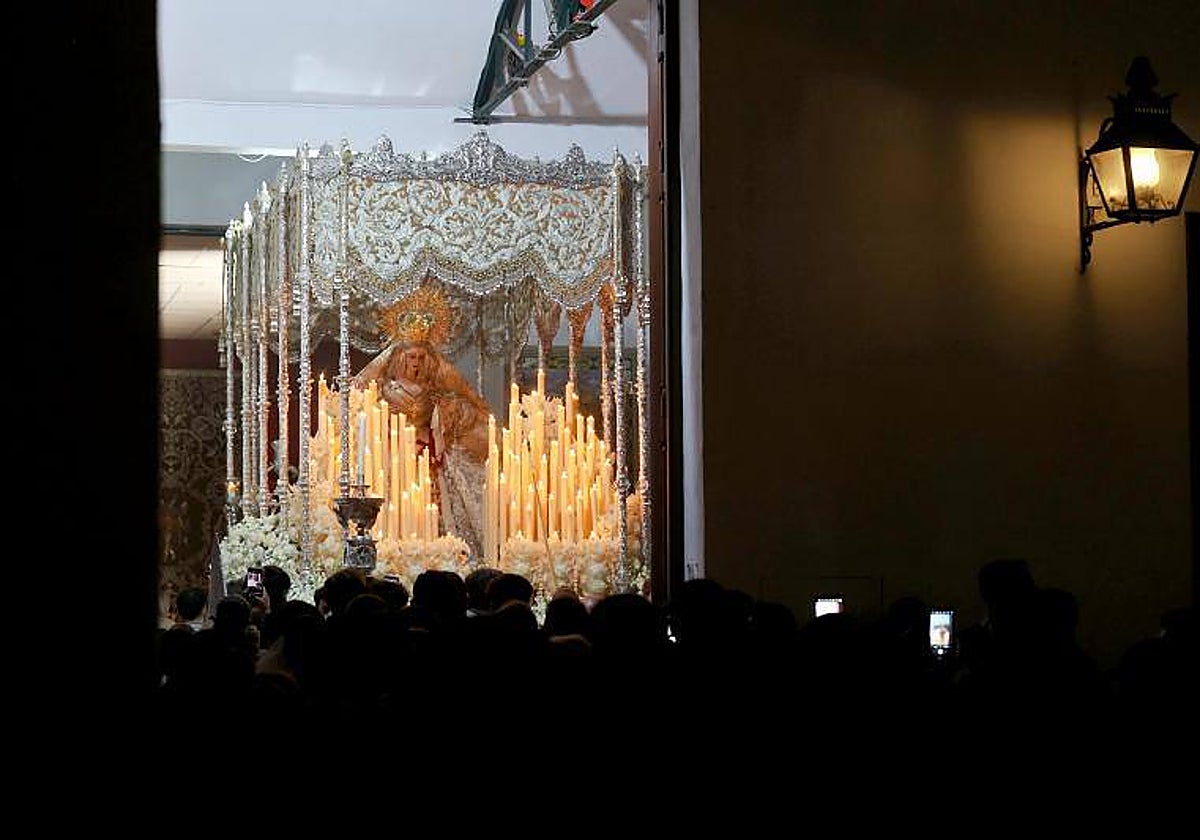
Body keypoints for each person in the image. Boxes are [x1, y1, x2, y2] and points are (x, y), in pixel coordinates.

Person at [354, 336, 490, 559]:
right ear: (400, 359)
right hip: (395, 453)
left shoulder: (431, 391)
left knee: (436, 501)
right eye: (411, 357)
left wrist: (447, 412)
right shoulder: (387, 390)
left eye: (420, 358)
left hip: (428, 451)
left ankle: (436, 544)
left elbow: (460, 406)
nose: (415, 363)